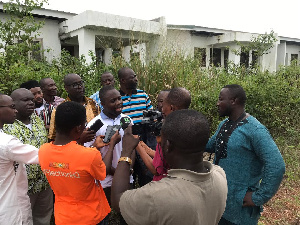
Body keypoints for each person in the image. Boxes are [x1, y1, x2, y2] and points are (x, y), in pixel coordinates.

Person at [111, 109, 228, 225]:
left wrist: (126, 151)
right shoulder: (220, 175)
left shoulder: (157, 195)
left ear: (168, 146)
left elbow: (117, 200)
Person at [206, 84, 285, 225]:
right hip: (219, 203)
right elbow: (210, 145)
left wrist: (258, 197)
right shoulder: (224, 124)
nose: (217, 103)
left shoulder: (255, 130)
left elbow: (276, 165)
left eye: (220, 99)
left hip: (239, 211)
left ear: (233, 101)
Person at [39, 101, 116, 225]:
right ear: (78, 128)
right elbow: (103, 173)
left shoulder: (43, 151)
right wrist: (111, 145)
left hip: (64, 216)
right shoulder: (89, 155)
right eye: (84, 124)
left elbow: (68, 158)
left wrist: (92, 147)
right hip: (92, 216)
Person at [85, 85, 134, 224]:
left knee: (126, 213)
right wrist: (114, 171)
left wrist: (129, 167)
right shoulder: (94, 125)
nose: (118, 102)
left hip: (126, 174)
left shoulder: (127, 120)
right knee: (104, 214)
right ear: (103, 103)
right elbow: (90, 154)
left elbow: (132, 146)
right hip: (105, 178)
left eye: (119, 98)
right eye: (113, 101)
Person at [3, 88, 53, 225]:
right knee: (23, 220)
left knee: (43, 218)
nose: (31, 103)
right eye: (25, 100)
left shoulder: (37, 120)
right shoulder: (6, 127)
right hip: (23, 188)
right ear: (13, 103)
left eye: (31, 100)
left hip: (44, 182)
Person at [136, 88, 192, 181]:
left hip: (166, 183)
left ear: (171, 108)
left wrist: (137, 145)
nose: (161, 108)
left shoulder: (168, 132)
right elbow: (167, 157)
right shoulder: (189, 126)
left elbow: (156, 170)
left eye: (163, 104)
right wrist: (148, 150)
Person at [0, 94, 39, 225]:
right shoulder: (7, 143)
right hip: (11, 211)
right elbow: (42, 156)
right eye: (12, 107)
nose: (15, 110)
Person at [118, 67, 153, 186]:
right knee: (128, 175)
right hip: (125, 144)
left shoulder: (142, 95)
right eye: (132, 77)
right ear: (123, 80)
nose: (136, 79)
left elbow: (151, 115)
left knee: (146, 175)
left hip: (143, 142)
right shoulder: (116, 98)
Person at [48, 73, 99, 142]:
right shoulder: (60, 109)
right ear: (66, 88)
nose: (79, 87)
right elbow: (53, 138)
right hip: (71, 150)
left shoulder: (93, 103)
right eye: (75, 85)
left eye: (81, 83)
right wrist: (79, 140)